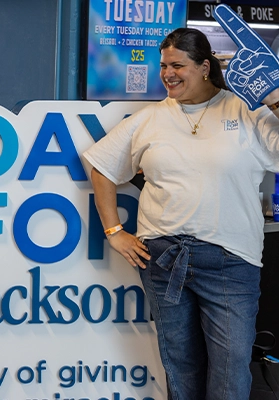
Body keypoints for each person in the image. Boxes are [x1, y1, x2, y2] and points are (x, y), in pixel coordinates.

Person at [83, 28, 279, 399]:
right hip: (164, 257)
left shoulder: (244, 111)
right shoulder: (151, 118)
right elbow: (102, 167)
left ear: (205, 67)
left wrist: (274, 96)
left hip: (231, 260)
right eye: (163, 66)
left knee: (230, 369)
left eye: (177, 65)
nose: (168, 74)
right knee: (180, 365)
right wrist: (114, 231)